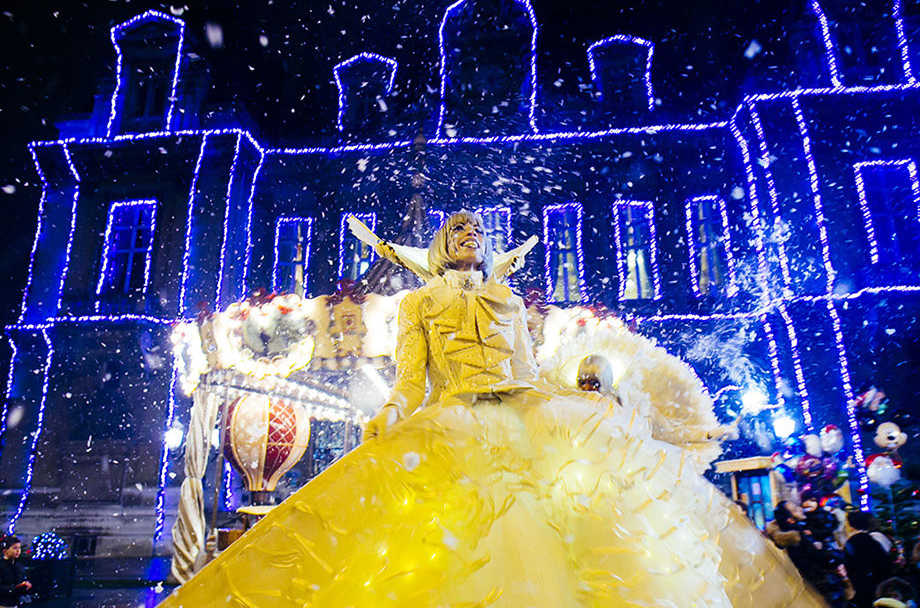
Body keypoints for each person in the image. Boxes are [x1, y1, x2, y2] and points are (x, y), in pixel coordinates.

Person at [162, 211, 824, 607]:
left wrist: (581, 402)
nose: (470, 237)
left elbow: (530, 371)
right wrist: (394, 411)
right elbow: (412, 378)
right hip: (454, 422)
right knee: (462, 547)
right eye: (460, 231)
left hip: (529, 415)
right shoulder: (420, 304)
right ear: (446, 244)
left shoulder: (508, 301)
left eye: (476, 231)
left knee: (585, 538)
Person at [847, 511, 895, 608]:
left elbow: (850, 564)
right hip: (878, 581)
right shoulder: (872, 539)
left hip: (865, 583)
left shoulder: (854, 540)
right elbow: (884, 561)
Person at [0, 537, 31, 608]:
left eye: (19, 548)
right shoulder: (1, 566)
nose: (18, 551)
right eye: (14, 548)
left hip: (16, 604)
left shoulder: (19, 566)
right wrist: (15, 588)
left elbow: (21, 580)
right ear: (5, 551)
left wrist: (25, 586)